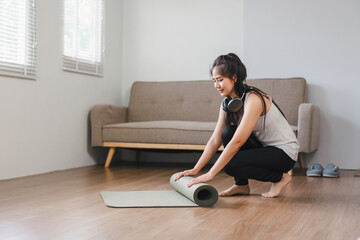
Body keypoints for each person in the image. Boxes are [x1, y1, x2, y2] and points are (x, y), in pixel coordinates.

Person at [175, 53, 299, 198]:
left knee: (231, 164)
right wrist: (196, 169)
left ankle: (280, 178)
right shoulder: (227, 104)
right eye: (214, 81)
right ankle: (241, 185)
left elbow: (238, 142)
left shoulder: (253, 99)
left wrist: (211, 173)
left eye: (220, 80)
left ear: (234, 77)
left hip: (284, 154)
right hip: (265, 149)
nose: (216, 86)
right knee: (227, 132)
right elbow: (215, 139)